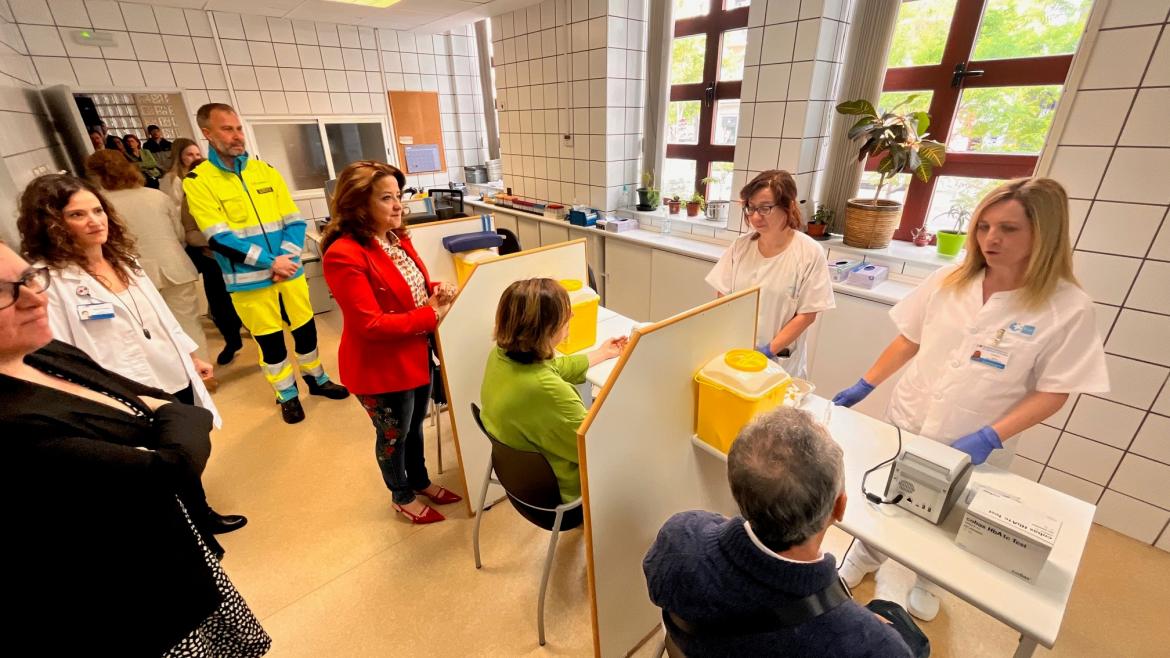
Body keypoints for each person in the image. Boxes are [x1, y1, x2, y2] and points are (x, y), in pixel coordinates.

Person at [831, 177, 1109, 621]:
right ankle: (863, 559)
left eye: (1009, 229)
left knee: (950, 512)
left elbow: (1055, 391)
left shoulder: (1067, 307)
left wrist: (990, 435)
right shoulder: (950, 278)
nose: (990, 239)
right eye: (984, 226)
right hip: (912, 415)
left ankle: (926, 579)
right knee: (889, 495)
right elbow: (909, 340)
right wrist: (866, 384)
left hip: (977, 436)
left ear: (1045, 233)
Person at [0, 240, 271, 656]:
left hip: (173, 554)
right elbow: (172, 466)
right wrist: (168, 419)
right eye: (5, 291)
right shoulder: (13, 422)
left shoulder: (45, 353)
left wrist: (170, 414)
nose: (36, 297)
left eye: (29, 279)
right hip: (132, 596)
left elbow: (176, 410)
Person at [16, 173, 246, 538]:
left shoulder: (122, 260)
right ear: (52, 223)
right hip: (123, 387)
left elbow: (160, 315)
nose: (95, 221)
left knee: (183, 451)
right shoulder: (49, 281)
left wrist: (190, 354)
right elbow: (61, 354)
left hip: (169, 371)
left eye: (97, 210)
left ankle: (201, 514)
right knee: (151, 463)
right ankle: (184, 529)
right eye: (78, 215)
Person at [643, 407, 925, 658]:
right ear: (839, 507)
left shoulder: (680, 539)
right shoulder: (870, 645)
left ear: (737, 488)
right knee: (904, 628)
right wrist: (862, 622)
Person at [184, 102, 349, 423]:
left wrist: (286, 258)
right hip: (249, 282)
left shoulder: (265, 171)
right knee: (271, 343)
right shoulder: (198, 180)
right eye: (227, 129)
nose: (236, 136)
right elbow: (219, 237)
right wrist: (271, 264)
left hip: (289, 273)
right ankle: (286, 393)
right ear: (207, 133)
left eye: (238, 128)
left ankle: (316, 379)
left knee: (306, 331)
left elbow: (294, 221)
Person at [321, 161, 462, 524]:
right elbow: (370, 323)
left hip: (414, 356)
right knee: (392, 436)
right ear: (358, 204)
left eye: (398, 196)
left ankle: (420, 481)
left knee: (415, 427)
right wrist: (432, 313)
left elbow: (408, 290)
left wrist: (435, 291)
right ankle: (401, 495)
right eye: (386, 198)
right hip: (379, 367)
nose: (398, 205)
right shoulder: (344, 254)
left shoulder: (396, 239)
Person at [480, 278, 627, 506]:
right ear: (545, 328)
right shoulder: (549, 392)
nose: (572, 316)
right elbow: (596, 449)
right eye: (565, 313)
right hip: (564, 494)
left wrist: (600, 354)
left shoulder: (500, 355)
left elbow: (552, 368)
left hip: (520, 480)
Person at [85, 149, 210, 367]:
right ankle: (204, 372)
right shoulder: (157, 196)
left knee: (149, 330)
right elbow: (180, 234)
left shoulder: (99, 206)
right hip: (175, 267)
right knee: (188, 323)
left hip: (130, 275)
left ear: (95, 176)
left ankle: (173, 375)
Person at [706, 170, 835, 379]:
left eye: (765, 208)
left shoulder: (809, 252)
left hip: (779, 360)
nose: (755, 216)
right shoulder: (741, 246)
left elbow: (807, 315)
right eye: (751, 207)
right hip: (737, 353)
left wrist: (768, 351)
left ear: (789, 206)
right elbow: (723, 296)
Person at [163, 138, 244, 365]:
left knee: (245, 303)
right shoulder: (188, 199)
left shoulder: (231, 195)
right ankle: (232, 340)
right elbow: (189, 232)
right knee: (219, 305)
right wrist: (215, 239)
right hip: (212, 259)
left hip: (238, 258)